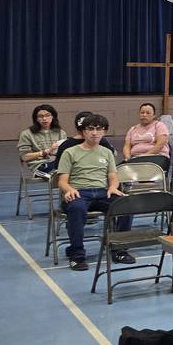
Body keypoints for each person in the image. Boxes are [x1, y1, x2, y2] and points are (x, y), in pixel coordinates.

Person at [55, 113, 132, 271]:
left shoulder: (107, 152)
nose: (94, 132)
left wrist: (113, 187)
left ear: (104, 131)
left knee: (126, 205)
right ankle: (76, 255)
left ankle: (119, 249)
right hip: (80, 193)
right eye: (90, 129)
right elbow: (61, 180)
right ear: (84, 132)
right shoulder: (70, 152)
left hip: (103, 193)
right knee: (77, 209)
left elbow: (113, 177)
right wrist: (69, 190)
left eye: (99, 129)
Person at [17, 104, 65, 178]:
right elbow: (24, 157)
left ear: (53, 117)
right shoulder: (26, 134)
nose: (45, 118)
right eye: (40, 116)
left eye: (48, 115)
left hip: (58, 164)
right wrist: (46, 151)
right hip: (40, 167)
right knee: (61, 172)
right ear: (36, 119)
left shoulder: (61, 133)